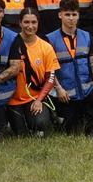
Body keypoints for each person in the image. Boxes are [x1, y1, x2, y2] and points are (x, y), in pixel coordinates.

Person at [45, 0, 93, 134]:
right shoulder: (50, 39)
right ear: (60, 15)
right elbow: (49, 69)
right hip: (65, 93)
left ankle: (92, 124)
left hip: (87, 90)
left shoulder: (87, 36)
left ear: (78, 15)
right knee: (70, 130)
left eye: (74, 14)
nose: (71, 18)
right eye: (67, 14)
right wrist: (58, 89)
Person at [4, 9, 62, 138]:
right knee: (20, 134)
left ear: (38, 23)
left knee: (40, 123)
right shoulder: (10, 43)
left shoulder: (46, 47)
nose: (30, 26)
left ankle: (48, 118)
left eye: (34, 22)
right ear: (20, 23)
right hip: (13, 99)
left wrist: (39, 100)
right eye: (26, 22)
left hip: (34, 98)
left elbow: (51, 77)